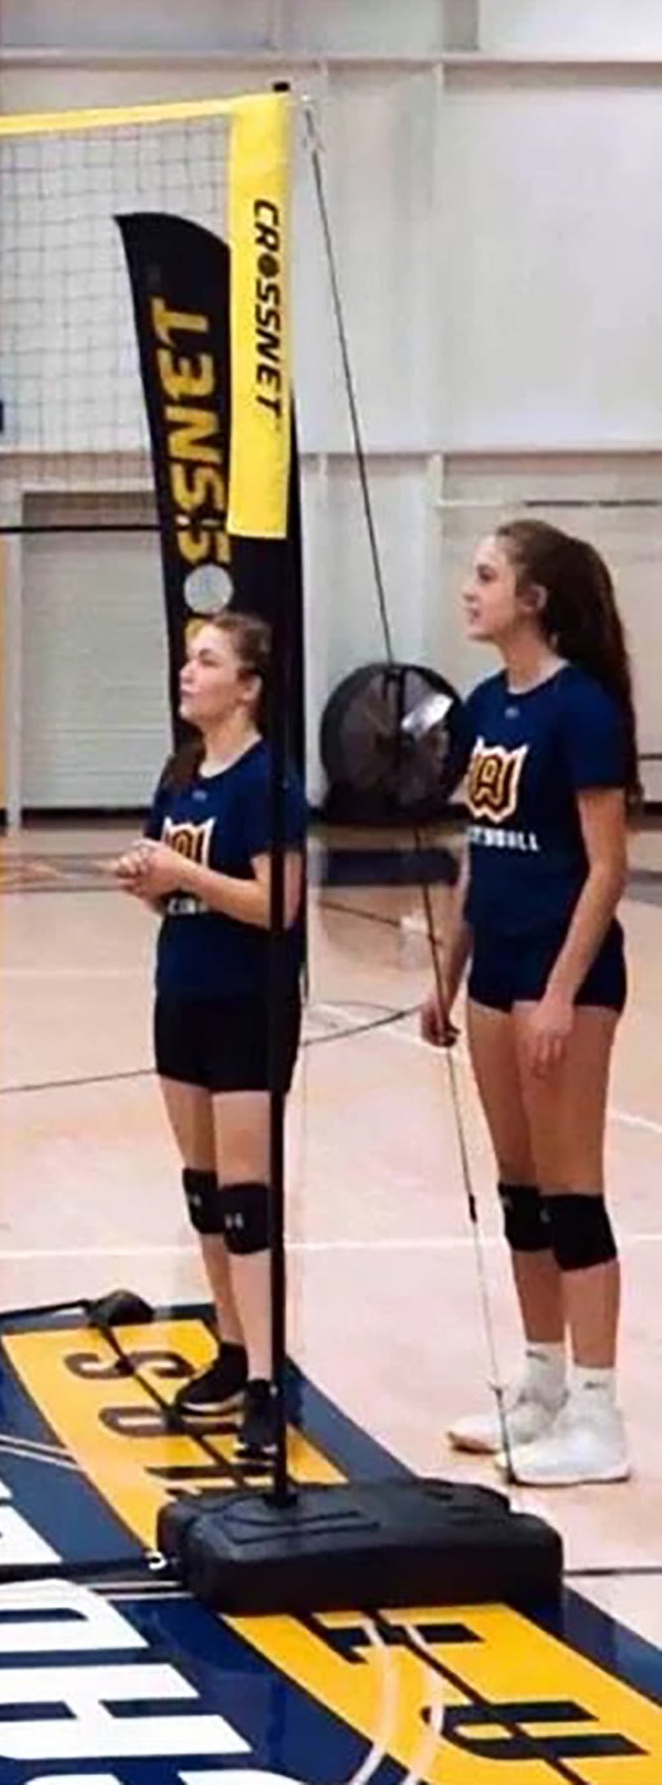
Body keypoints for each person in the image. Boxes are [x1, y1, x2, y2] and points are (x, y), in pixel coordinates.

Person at [421, 520, 636, 1486]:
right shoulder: (483, 707)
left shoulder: (581, 709)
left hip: (565, 978)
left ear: (534, 599)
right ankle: (541, 1384)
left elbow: (607, 868)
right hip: (496, 968)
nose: (470, 591)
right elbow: (479, 853)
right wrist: (448, 973)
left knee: (571, 1190)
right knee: (519, 1191)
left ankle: (597, 1413)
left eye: (486, 575)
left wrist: (558, 994)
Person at [115, 611, 305, 1464]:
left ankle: (266, 1378)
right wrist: (148, 880)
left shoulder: (266, 780)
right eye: (188, 659)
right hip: (181, 993)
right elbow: (176, 890)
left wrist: (183, 871)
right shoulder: (183, 772)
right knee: (203, 1191)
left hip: (247, 1003)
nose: (187, 673)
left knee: (246, 1198)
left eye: (207, 661)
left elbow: (278, 906)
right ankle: (231, 1347)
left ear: (249, 686)